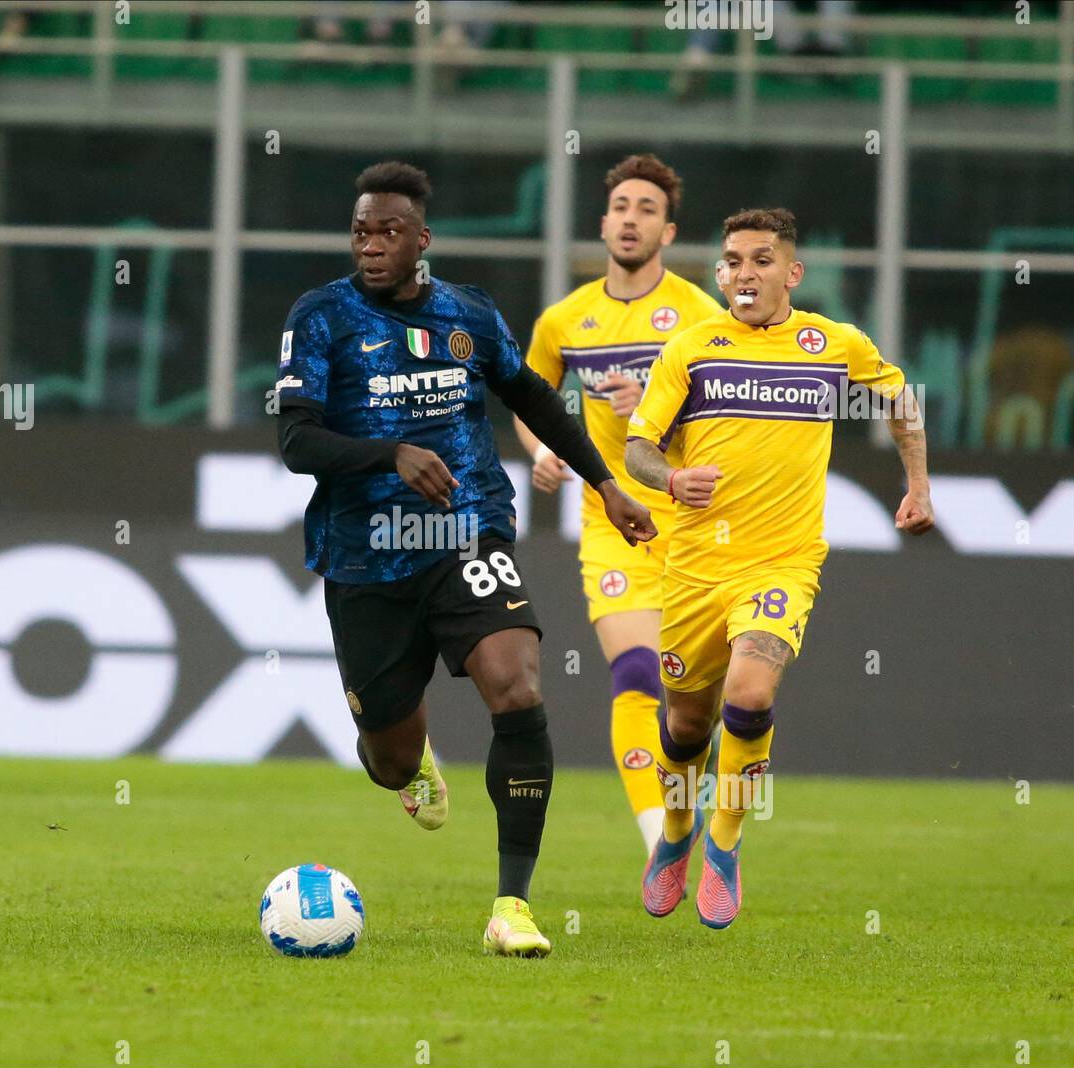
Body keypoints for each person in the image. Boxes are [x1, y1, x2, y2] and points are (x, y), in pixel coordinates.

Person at [276, 161, 656, 957]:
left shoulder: (469, 315)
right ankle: (413, 768)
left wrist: (605, 483)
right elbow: (295, 441)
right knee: (388, 756)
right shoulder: (321, 318)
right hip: (365, 557)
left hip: (467, 534)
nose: (371, 247)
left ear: (422, 239)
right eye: (360, 232)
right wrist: (391, 454)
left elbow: (536, 399)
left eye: (388, 233)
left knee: (516, 687)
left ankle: (511, 906)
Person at [624, 207, 934, 928]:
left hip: (783, 562)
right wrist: (669, 479)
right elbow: (638, 445)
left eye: (761, 260)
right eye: (732, 260)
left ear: (792, 273)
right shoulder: (692, 348)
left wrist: (918, 485)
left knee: (752, 690)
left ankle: (725, 845)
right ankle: (676, 834)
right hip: (695, 567)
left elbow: (901, 400)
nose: (743, 273)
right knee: (685, 722)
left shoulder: (832, 345)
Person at [514, 153, 722, 861]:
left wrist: (662, 412)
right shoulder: (566, 320)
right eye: (622, 207)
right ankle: (660, 839)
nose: (631, 219)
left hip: (691, 520)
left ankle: (705, 794)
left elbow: (732, 414)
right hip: (614, 523)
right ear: (603, 223)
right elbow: (530, 398)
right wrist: (541, 452)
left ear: (668, 233)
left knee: (692, 697)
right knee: (635, 676)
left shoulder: (701, 315)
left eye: (647, 210)